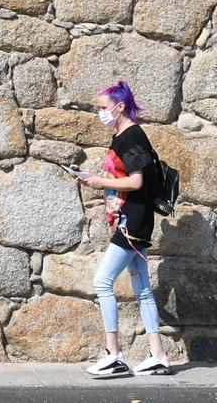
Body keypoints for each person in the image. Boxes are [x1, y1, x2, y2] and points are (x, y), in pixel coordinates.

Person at [77, 80, 170, 378]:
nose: (100, 112)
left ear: (119, 107)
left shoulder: (131, 136)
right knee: (143, 290)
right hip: (131, 221)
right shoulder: (122, 135)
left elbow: (136, 181)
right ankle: (158, 356)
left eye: (104, 108)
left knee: (102, 282)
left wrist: (99, 182)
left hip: (131, 223)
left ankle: (114, 355)